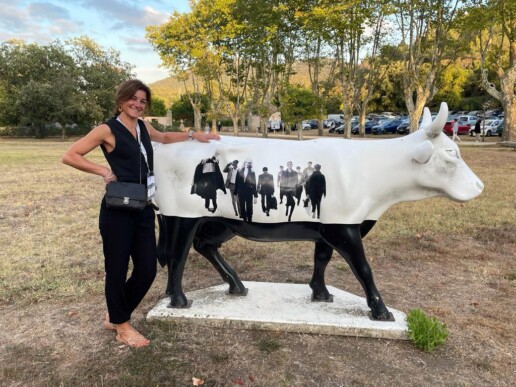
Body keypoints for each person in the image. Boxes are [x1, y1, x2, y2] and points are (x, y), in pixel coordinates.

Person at [61, 79, 219, 348]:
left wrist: (195, 136)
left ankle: (115, 315)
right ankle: (122, 326)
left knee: (147, 268)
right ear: (121, 101)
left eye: (142, 100)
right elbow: (71, 155)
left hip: (144, 208)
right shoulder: (106, 130)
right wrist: (102, 171)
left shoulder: (143, 126)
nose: (137, 103)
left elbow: (165, 137)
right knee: (117, 268)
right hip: (117, 210)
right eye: (133, 98)